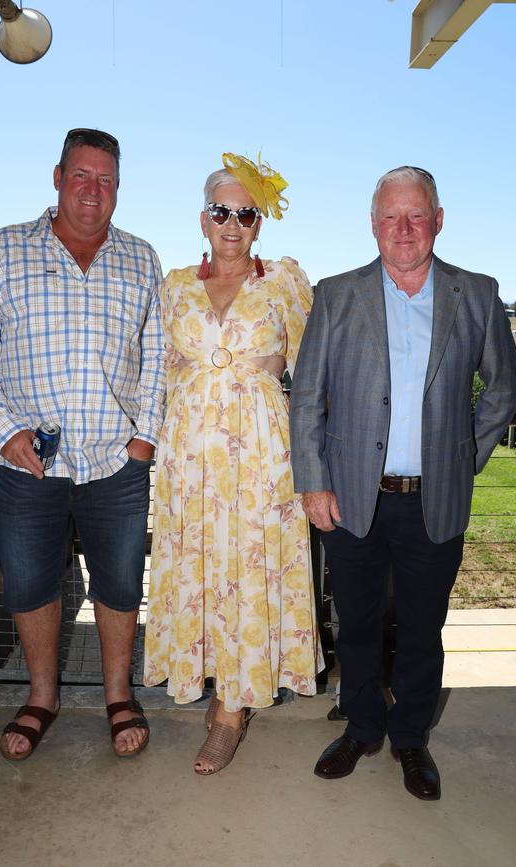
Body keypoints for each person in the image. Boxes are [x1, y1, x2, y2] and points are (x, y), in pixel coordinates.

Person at [289, 166, 516, 800]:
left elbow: (504, 387)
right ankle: (362, 727)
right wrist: (312, 481)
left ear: (438, 221)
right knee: (357, 624)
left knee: (423, 627)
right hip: (352, 498)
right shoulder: (336, 295)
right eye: (391, 216)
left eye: (416, 215)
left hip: (435, 500)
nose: (404, 228)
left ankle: (411, 738)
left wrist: (464, 457)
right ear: (373, 225)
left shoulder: (474, 294)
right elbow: (307, 396)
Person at [0, 128, 165, 761]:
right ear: (56, 177)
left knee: (120, 583)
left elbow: (155, 359)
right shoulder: (2, 251)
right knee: (30, 585)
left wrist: (144, 439)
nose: (93, 190)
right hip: (27, 468)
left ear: (118, 188)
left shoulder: (141, 259)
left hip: (116, 465)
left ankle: (117, 695)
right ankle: (42, 697)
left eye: (106, 179)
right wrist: (9, 431)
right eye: (81, 175)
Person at [143, 153, 323, 774]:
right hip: (190, 458)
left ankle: (231, 711)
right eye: (221, 211)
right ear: (203, 218)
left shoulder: (285, 284)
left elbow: (315, 372)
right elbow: (159, 371)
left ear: (258, 223)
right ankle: (209, 680)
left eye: (246, 213)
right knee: (199, 565)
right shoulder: (174, 287)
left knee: (248, 570)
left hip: (261, 457)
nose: (232, 222)